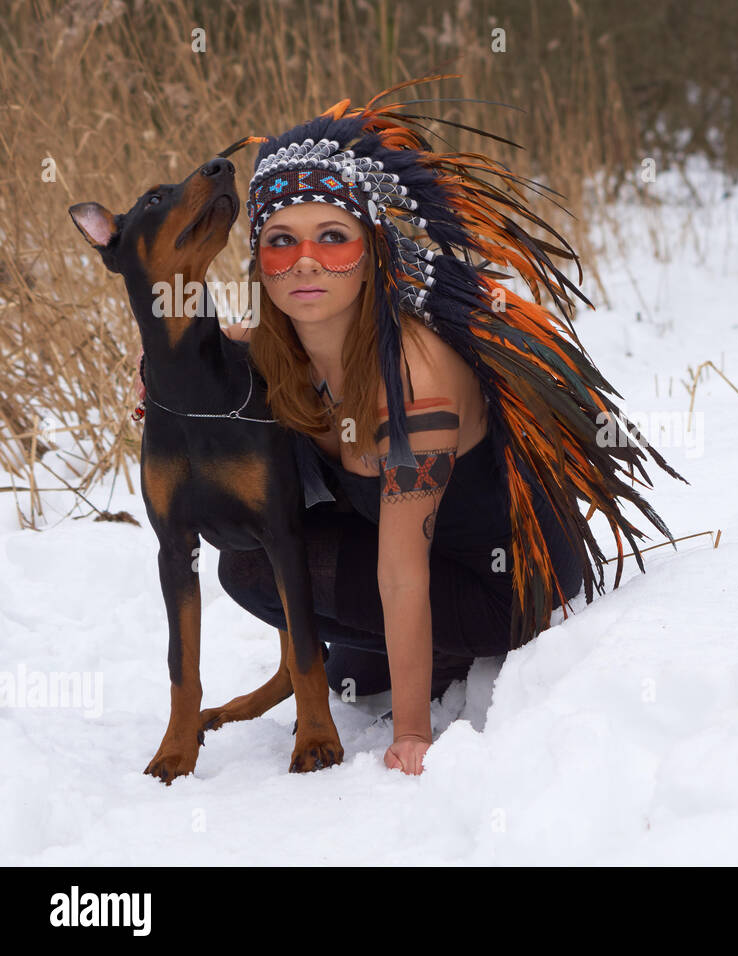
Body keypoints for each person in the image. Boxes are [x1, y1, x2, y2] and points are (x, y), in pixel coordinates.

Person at [136, 76, 687, 775]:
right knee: (249, 567)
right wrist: (163, 371)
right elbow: (228, 340)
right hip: (408, 559)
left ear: (373, 249)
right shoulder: (291, 345)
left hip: (503, 589)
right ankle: (403, 658)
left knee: (275, 567)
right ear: (259, 264)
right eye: (280, 242)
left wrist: (413, 733)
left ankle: (448, 657)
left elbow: (400, 572)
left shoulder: (416, 376)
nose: (305, 260)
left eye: (333, 237)